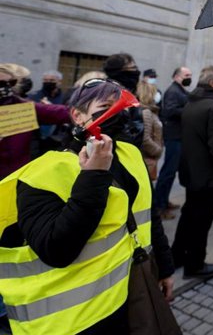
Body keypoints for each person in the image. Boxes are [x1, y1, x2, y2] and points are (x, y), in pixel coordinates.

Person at [0, 78, 177, 334]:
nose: (119, 113)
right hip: (77, 320)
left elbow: (147, 216)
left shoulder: (130, 153)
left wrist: (165, 267)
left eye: (122, 106)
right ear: (77, 115)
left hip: (132, 292)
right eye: (107, 105)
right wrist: (93, 176)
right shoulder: (42, 174)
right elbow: (55, 249)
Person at [172, 65, 213, 279]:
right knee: (201, 220)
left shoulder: (191, 103)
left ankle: (177, 255)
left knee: (188, 215)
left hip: (190, 171)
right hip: (207, 174)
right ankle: (194, 264)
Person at [0, 64, 70, 180]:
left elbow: (61, 113)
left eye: (10, 83)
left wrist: (92, 108)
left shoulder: (23, 108)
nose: (5, 87)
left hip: (15, 176)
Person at [154, 66, 192, 219]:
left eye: (190, 74)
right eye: (186, 75)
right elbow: (169, 110)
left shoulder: (180, 90)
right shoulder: (172, 91)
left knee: (171, 171)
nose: (189, 77)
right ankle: (159, 206)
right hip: (173, 136)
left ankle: (164, 201)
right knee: (168, 172)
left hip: (179, 136)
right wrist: (189, 110)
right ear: (177, 76)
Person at [102, 53, 144, 147]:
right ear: (119, 71)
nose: (136, 72)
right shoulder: (113, 93)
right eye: (132, 68)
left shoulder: (129, 91)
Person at [137, 81, 164, 184]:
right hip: (147, 160)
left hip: (150, 160)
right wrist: (158, 150)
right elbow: (145, 139)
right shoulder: (146, 112)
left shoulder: (151, 110)